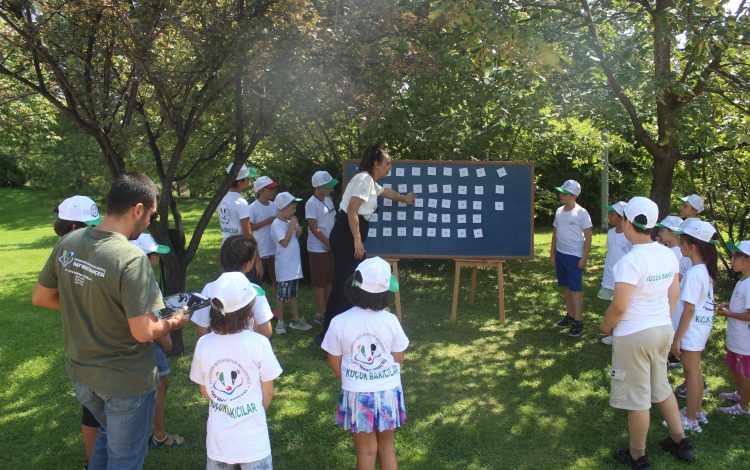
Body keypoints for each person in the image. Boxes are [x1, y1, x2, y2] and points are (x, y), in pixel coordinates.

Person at [32, 173, 189, 469]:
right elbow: (144, 331)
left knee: (105, 439)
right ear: (138, 209)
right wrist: (175, 321)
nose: (149, 223)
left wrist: (89, 306)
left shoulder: (70, 242)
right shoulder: (131, 258)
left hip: (82, 373)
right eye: (152, 215)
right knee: (125, 460)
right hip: (125, 382)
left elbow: (41, 297)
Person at [601, 196, 695, 469]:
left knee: (637, 399)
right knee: (661, 387)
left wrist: (605, 327)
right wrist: (662, 319)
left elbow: (619, 306)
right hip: (662, 329)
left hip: (634, 335)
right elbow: (673, 295)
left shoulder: (629, 261)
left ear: (627, 222)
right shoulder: (667, 254)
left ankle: (637, 455)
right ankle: (680, 441)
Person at [317, 144, 416, 345]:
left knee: (351, 281)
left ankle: (342, 332)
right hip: (347, 234)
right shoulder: (364, 179)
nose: (390, 167)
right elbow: (353, 210)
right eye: (387, 163)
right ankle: (329, 337)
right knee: (346, 283)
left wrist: (404, 199)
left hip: (349, 233)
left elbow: (386, 192)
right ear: (376, 164)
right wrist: (357, 240)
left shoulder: (370, 181)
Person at [321, 257, 408, 470]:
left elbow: (333, 362)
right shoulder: (391, 321)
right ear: (387, 293)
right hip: (387, 392)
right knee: (387, 448)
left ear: (353, 286)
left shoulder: (339, 322)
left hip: (357, 394)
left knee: (365, 451)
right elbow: (399, 357)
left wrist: (351, 379)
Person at [190, 272, 283, 470]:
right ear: (250, 309)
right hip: (253, 440)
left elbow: (205, 391)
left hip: (218, 440)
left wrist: (225, 405)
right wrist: (253, 412)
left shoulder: (203, 344)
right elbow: (267, 393)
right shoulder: (260, 343)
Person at [51, 195, 103, 468]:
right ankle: (95, 461)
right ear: (74, 227)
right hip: (92, 346)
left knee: (94, 407)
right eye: (90, 225)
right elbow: (42, 297)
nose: (96, 230)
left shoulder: (67, 250)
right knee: (97, 408)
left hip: (82, 344)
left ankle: (93, 460)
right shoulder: (73, 252)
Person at [130, 233, 185, 449]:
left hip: (133, 340)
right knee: (160, 383)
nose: (157, 257)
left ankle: (140, 430)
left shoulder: (131, 277)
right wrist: (165, 339)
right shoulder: (146, 282)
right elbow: (151, 316)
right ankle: (159, 434)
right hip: (151, 340)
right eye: (154, 254)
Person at [668, 219, 719, 432]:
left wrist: (677, 338)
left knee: (691, 374)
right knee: (695, 372)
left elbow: (688, 309)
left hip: (689, 332)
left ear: (692, 246)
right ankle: (696, 411)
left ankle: (690, 418)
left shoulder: (694, 274)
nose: (679, 246)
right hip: (698, 330)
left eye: (682, 242)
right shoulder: (703, 271)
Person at [192, 234, 274, 339]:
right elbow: (266, 332)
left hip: (216, 347)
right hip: (247, 346)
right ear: (248, 264)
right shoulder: (255, 291)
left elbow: (201, 332)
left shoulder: (208, 289)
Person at [551, 179, 593, 337]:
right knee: (566, 287)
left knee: (575, 289)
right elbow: (555, 233)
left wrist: (584, 258)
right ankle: (570, 315)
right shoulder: (559, 211)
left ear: (574, 196)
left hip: (574, 256)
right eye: (561, 192)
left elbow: (588, 238)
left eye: (564, 193)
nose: (561, 195)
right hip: (561, 254)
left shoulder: (582, 213)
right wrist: (552, 253)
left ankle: (578, 321)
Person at [716, 240, 750, 416]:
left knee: (744, 373)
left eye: (736, 256)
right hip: (736, 337)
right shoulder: (743, 280)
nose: (731, 260)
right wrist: (729, 305)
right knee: (734, 366)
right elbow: (743, 306)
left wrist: (729, 314)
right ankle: (740, 394)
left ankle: (743, 406)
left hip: (745, 341)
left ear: (748, 261)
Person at [271, 191, 312, 334]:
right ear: (282, 208)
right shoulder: (276, 224)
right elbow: (284, 242)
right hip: (284, 267)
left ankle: (296, 320)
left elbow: (294, 238)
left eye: (295, 208)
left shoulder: (290, 222)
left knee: (294, 294)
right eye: (292, 208)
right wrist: (291, 227)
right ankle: (280, 323)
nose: (294, 211)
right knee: (282, 296)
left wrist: (298, 231)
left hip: (294, 266)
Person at [654, 215, 687, 370]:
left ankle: (675, 356)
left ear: (673, 233)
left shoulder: (676, 253)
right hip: (669, 295)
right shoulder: (671, 250)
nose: (659, 232)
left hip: (674, 296)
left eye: (663, 230)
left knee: (672, 324)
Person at [306, 170, 338, 324]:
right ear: (318, 187)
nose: (331, 189)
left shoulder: (329, 200)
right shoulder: (311, 203)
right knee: (319, 282)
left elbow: (334, 219)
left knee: (329, 280)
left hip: (330, 245)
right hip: (317, 248)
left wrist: (334, 241)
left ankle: (328, 309)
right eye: (328, 186)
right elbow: (314, 229)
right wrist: (329, 243)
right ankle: (320, 313)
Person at [599, 201, 631, 346]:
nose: (609, 216)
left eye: (612, 213)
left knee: (622, 304)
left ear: (621, 217)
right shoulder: (611, 232)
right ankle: (614, 333)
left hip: (623, 277)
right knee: (612, 303)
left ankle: (622, 333)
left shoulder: (628, 236)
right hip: (610, 275)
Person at [248, 176, 281, 290]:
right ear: (261, 191)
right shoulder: (253, 207)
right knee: (258, 278)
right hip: (261, 249)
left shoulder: (274, 206)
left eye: (274, 189)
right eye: (270, 189)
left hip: (274, 247)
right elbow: (249, 227)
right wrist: (266, 222)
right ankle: (255, 298)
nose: (274, 192)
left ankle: (278, 300)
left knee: (277, 278)